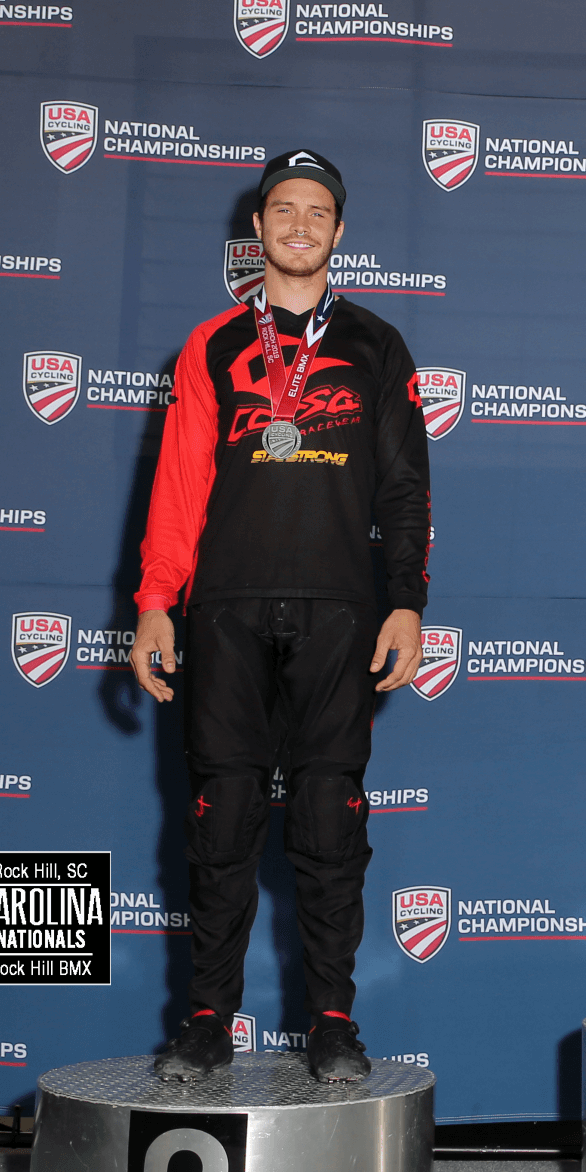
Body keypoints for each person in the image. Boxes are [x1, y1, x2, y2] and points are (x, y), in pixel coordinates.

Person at [130, 150, 431, 1083]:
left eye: (318, 212)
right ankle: (207, 1021)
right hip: (224, 608)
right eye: (284, 210)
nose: (301, 225)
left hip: (341, 610)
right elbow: (179, 484)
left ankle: (333, 1021)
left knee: (330, 820)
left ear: (340, 232)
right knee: (220, 821)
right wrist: (155, 600)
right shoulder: (212, 344)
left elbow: (406, 488)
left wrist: (407, 602)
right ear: (257, 228)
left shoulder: (377, 344)